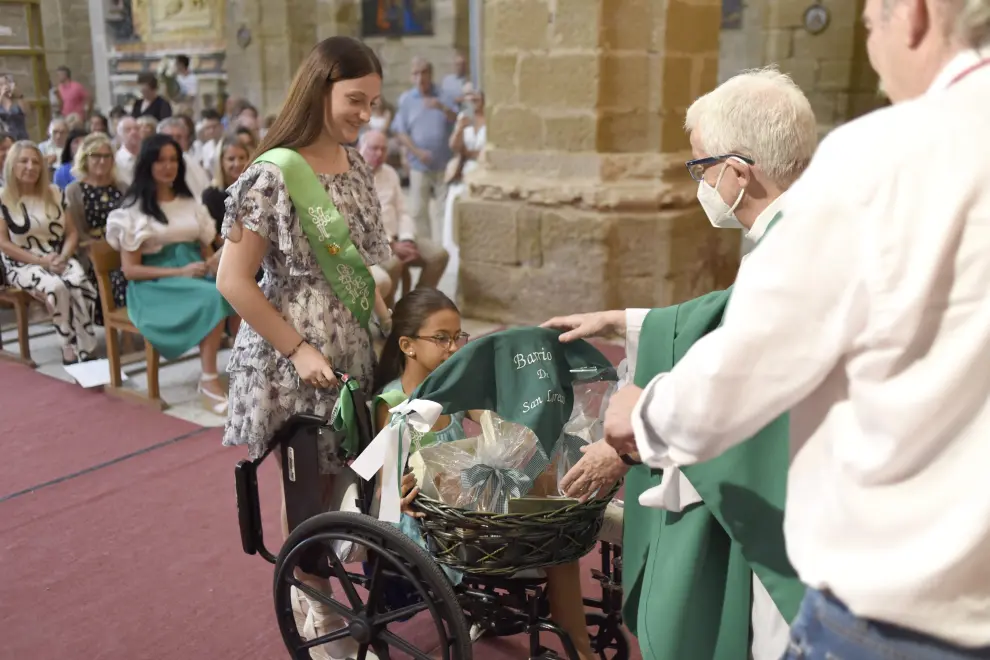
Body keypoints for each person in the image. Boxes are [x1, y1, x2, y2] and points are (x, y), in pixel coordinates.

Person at [591, 1, 990, 657]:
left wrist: (639, 417)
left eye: (867, 27)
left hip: (899, 604)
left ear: (912, 15)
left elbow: (746, 363)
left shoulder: (882, 155)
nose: (871, 55)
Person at [544, 67, 819, 660]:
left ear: (736, 172)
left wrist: (631, 430)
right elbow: (732, 314)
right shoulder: (816, 225)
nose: (698, 182)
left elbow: (733, 370)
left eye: (700, 166)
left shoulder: (788, 258)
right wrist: (629, 320)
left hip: (801, 516)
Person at [215, 36, 391, 660]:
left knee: (354, 491)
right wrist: (296, 350)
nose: (365, 115)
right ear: (319, 88)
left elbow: (367, 261)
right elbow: (232, 282)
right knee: (309, 501)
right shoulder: (272, 173)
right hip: (299, 363)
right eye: (354, 100)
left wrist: (384, 300)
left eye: (373, 102)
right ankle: (323, 638)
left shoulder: (355, 163)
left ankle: (347, 615)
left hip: (353, 350)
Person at [372, 288, 599, 660]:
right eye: (441, 338)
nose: (453, 348)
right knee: (557, 545)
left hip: (467, 504)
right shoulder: (398, 405)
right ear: (408, 346)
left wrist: (533, 406)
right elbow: (386, 486)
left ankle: (578, 646)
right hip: (431, 522)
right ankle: (579, 649)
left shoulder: (454, 394)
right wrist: (400, 489)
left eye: (458, 337)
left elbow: (502, 423)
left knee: (552, 522)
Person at [105, 134, 233, 413]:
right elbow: (130, 270)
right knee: (215, 295)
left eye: (174, 159)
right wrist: (181, 270)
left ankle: (244, 368)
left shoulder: (190, 203)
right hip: (155, 285)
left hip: (194, 275)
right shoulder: (132, 211)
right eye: (161, 160)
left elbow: (207, 247)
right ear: (147, 164)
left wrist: (213, 259)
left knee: (240, 288)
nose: (168, 166)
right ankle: (209, 380)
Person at [0, 140, 98, 363]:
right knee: (56, 286)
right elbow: (4, 244)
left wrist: (62, 257)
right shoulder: (3, 198)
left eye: (36, 162)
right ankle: (68, 346)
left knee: (80, 282)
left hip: (57, 255)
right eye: (23, 161)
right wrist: (41, 261)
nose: (30, 166)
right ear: (12, 165)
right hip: (21, 261)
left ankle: (87, 347)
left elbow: (72, 233)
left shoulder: (55, 192)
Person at [359, 129, 448, 302]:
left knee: (438, 255)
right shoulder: (351, 175)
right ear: (360, 147)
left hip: (399, 236)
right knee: (393, 264)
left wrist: (407, 239)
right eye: (373, 148)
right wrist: (391, 244)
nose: (379, 153)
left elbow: (402, 212)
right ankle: (389, 315)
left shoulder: (390, 173)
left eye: (383, 149)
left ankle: (417, 305)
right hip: (371, 243)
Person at [390, 57, 456, 242]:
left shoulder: (443, 95)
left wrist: (442, 107)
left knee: (444, 210)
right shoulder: (406, 100)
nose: (420, 77)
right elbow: (400, 132)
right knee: (418, 210)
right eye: (415, 73)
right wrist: (417, 152)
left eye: (423, 73)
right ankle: (429, 249)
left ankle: (444, 248)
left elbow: (457, 121)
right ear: (411, 77)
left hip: (445, 162)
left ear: (430, 74)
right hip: (419, 163)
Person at [65, 132, 128, 317]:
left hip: (124, 248)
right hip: (91, 252)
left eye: (106, 156)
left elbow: (133, 221)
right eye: (96, 156)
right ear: (85, 159)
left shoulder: (122, 188)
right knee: (117, 277)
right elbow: (76, 230)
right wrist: (102, 250)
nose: (102, 161)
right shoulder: (74, 191)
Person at [157, 116, 210, 198]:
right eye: (169, 137)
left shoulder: (194, 165)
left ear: (186, 140)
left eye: (179, 137)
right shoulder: (153, 165)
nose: (174, 142)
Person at [0, 75, 29, 141]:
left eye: (6, 83)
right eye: (1, 84)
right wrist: (2, 95)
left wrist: (19, 96)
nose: (5, 86)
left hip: (21, 137)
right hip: (4, 140)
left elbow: (27, 112)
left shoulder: (17, 100)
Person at [114, 116, 141, 185]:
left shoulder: (148, 156)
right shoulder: (116, 161)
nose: (134, 132)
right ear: (119, 136)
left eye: (137, 129)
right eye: (128, 130)